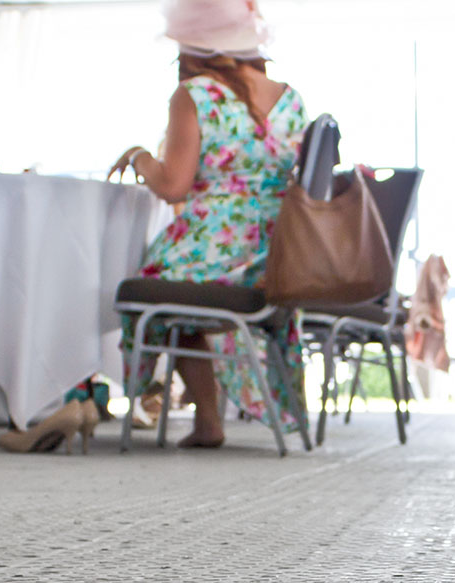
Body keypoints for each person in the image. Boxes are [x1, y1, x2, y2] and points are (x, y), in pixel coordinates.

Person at [105, 0, 308, 449]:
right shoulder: (290, 98)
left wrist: (139, 155)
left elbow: (173, 186)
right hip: (277, 260)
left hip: (213, 253)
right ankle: (210, 419)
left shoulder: (195, 95)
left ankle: (207, 419)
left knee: (154, 289)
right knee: (177, 291)